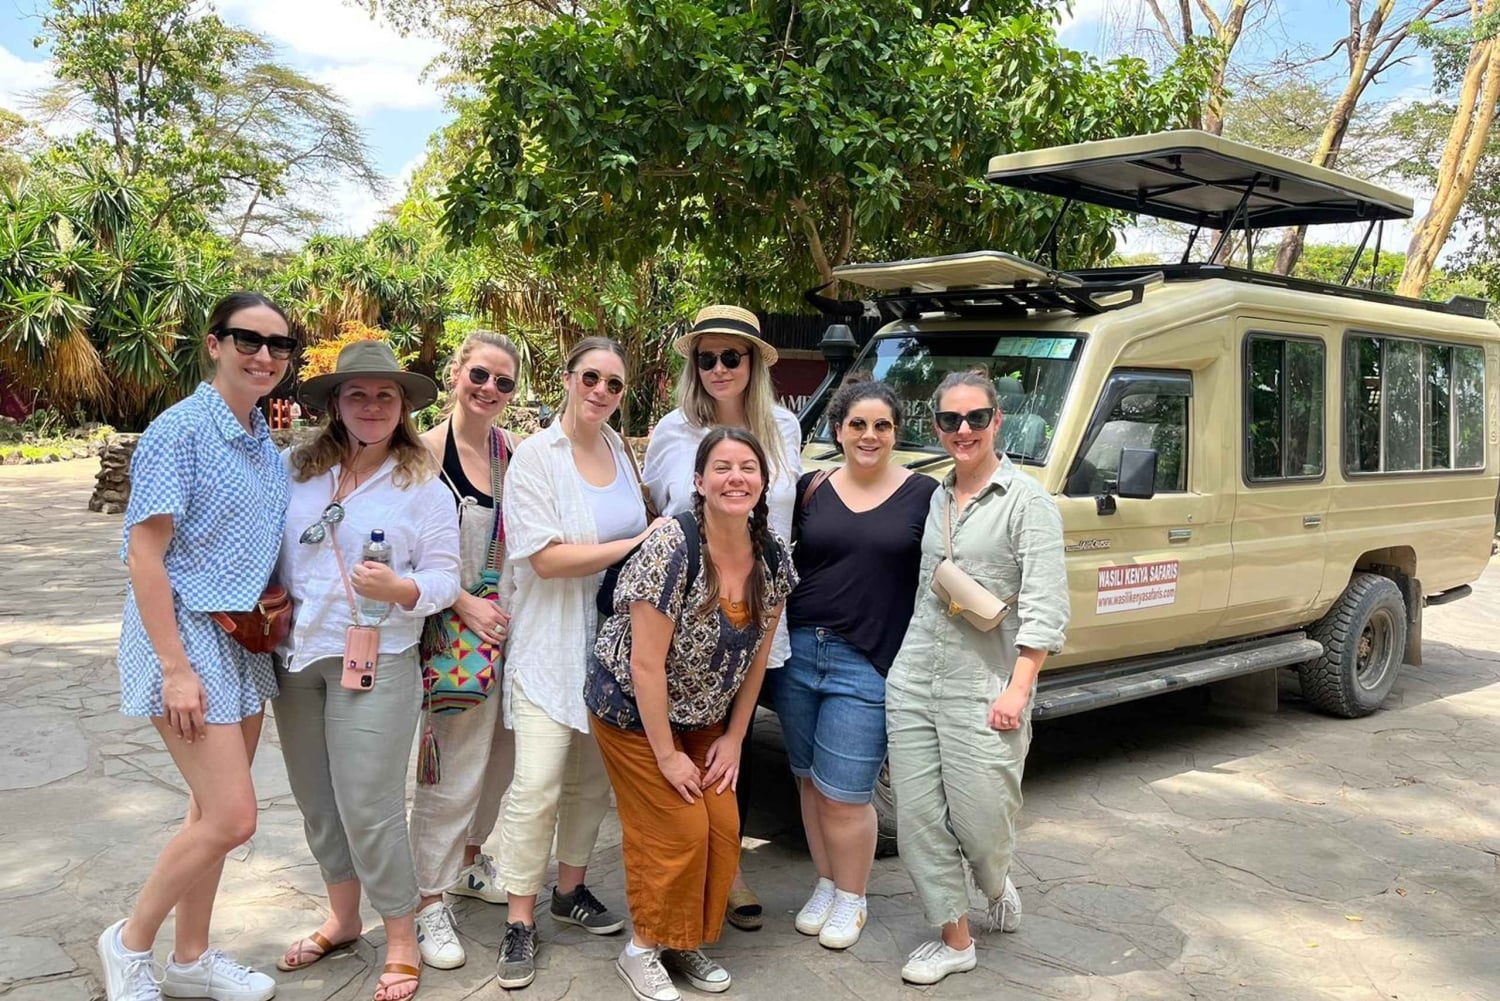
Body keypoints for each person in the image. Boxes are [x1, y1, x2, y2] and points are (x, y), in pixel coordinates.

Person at [100, 292, 295, 1001]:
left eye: (279, 345)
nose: (264, 355)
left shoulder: (265, 444)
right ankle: (129, 943)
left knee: (209, 812)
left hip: (243, 642)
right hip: (185, 640)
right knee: (234, 817)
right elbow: (144, 555)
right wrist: (175, 668)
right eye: (248, 339)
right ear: (214, 344)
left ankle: (190, 958)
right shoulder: (179, 430)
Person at [273, 340, 461, 1001]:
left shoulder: (423, 485)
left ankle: (401, 937)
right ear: (335, 403)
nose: (372, 405)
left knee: (370, 807)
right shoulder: (297, 470)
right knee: (318, 803)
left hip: (378, 659)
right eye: (357, 394)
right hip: (297, 656)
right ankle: (343, 918)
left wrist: (401, 589)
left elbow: (445, 577)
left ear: (403, 405)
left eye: (386, 395)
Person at [586, 427, 798, 1001]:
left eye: (748, 468)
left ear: (763, 482)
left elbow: (757, 659)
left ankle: (680, 940)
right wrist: (667, 756)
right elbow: (645, 667)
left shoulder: (773, 556)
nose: (736, 478)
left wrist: (735, 738)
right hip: (633, 713)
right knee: (678, 828)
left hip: (706, 716)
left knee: (723, 828)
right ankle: (642, 949)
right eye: (722, 468)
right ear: (699, 482)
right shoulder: (672, 549)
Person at [885, 371, 1070, 986]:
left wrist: (1019, 687)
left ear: (997, 420)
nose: (962, 430)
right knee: (917, 817)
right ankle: (954, 938)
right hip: (915, 676)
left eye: (976, 418)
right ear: (937, 426)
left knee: (984, 821)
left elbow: (1045, 604)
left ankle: (994, 881)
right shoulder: (936, 497)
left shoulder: (1027, 502)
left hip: (987, 682)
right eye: (950, 420)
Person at [493, 336, 665, 990]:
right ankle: (519, 916)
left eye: (614, 384)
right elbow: (544, 558)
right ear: (567, 378)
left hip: (611, 647)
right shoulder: (536, 457)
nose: (601, 391)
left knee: (593, 783)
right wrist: (637, 542)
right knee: (536, 784)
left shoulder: (619, 448)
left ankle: (570, 890)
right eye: (591, 377)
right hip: (549, 643)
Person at [641, 304, 802, 930]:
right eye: (706, 358)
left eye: (731, 356)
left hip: (759, 604)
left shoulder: (783, 427)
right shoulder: (672, 432)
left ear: (754, 363)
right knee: (691, 734)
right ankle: (700, 873)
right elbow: (659, 515)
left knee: (738, 739)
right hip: (689, 616)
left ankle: (728, 865)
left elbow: (785, 515)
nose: (718, 368)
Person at [769, 380, 937, 950]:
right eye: (858, 425)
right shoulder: (812, 488)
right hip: (799, 653)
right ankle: (825, 882)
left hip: (867, 661)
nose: (869, 436)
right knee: (809, 782)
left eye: (881, 425)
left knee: (846, 793)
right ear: (838, 430)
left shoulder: (924, 495)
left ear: (896, 432)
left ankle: (852, 895)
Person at [407, 331, 523, 970]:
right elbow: (403, 550)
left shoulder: (513, 454)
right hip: (453, 636)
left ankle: (470, 864)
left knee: (500, 763)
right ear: (456, 373)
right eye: (480, 374)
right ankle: (429, 898)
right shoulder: (423, 455)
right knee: (451, 768)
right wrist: (461, 601)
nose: (489, 389)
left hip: (511, 633)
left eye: (503, 382)